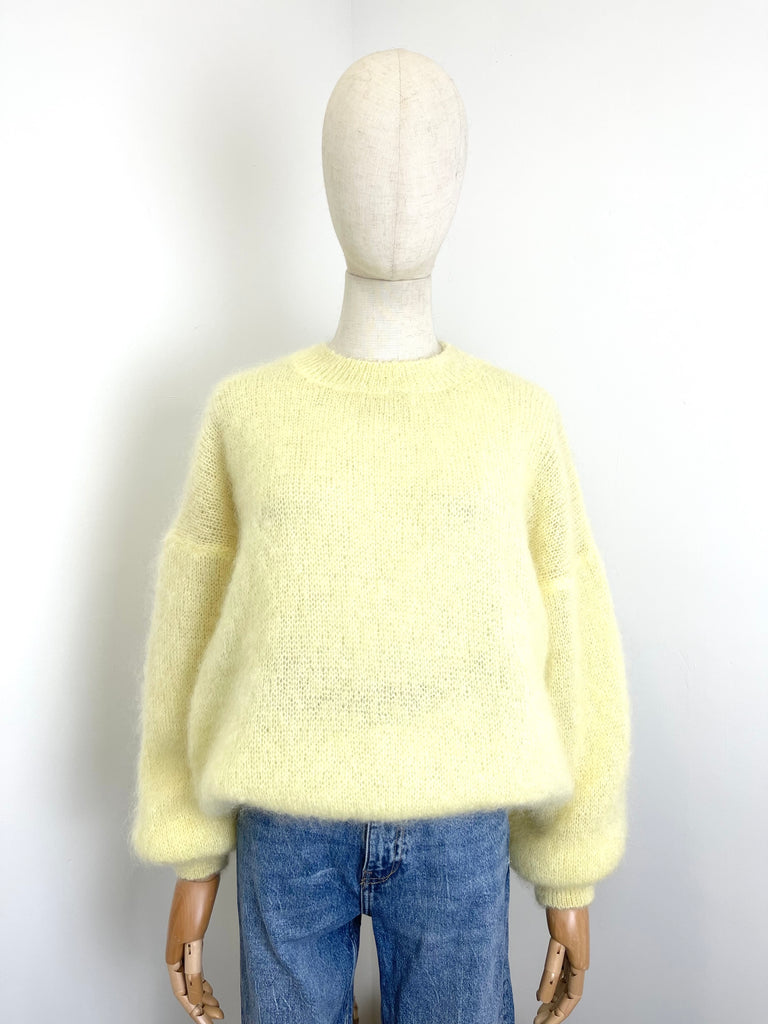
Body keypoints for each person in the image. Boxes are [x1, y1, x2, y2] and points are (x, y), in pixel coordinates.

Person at [130, 48, 631, 1024]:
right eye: (366, 156)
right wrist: (191, 852)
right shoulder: (248, 414)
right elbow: (187, 636)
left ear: (457, 180)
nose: (397, 189)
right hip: (285, 824)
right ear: (328, 179)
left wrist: (569, 868)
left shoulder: (517, 420)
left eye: (423, 156)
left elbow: (573, 643)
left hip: (459, 829)